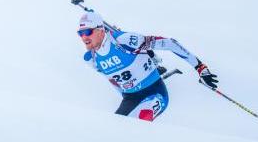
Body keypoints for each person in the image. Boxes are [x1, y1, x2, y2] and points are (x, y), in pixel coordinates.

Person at [77, 11, 218, 121]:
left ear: (101, 31)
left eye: (87, 32)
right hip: (130, 98)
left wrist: (199, 67)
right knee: (116, 130)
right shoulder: (91, 59)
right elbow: (114, 81)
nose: (84, 37)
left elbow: (169, 43)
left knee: (140, 120)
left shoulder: (123, 40)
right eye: (80, 33)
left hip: (155, 92)